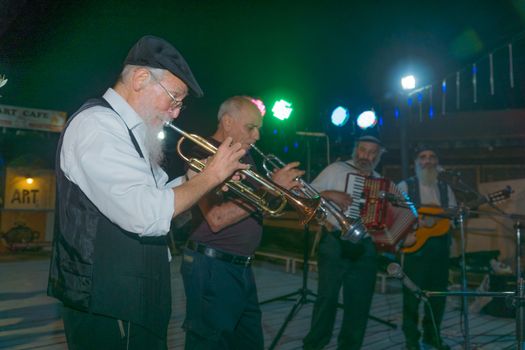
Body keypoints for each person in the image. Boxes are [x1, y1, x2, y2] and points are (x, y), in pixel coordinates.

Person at [47, 35, 249, 350]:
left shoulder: (130, 131)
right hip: (107, 299)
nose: (176, 113)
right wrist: (209, 177)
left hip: (133, 295)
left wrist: (192, 178)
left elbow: (158, 197)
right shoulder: (98, 126)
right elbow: (144, 214)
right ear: (141, 79)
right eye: (175, 98)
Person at [180, 95, 304, 349]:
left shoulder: (246, 158)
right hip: (213, 267)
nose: (257, 136)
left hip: (241, 267)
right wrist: (270, 191)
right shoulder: (203, 152)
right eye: (251, 127)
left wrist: (281, 195)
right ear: (227, 122)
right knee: (210, 342)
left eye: (259, 128)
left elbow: (253, 208)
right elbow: (216, 219)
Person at [303, 134, 386, 350]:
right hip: (334, 241)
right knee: (327, 299)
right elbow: (305, 194)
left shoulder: (379, 181)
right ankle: (314, 344)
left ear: (378, 156)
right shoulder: (336, 169)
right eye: (363, 150)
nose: (366, 156)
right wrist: (329, 193)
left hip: (364, 246)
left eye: (372, 152)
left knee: (359, 303)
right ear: (355, 150)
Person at [398, 145, 456, 350]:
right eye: (423, 157)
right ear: (416, 163)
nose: (428, 161)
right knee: (411, 297)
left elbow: (452, 217)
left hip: (440, 248)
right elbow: (396, 216)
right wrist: (417, 223)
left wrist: (455, 216)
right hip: (415, 247)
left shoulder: (444, 188)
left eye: (432, 157)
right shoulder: (406, 186)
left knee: (438, 296)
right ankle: (411, 340)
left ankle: (432, 336)